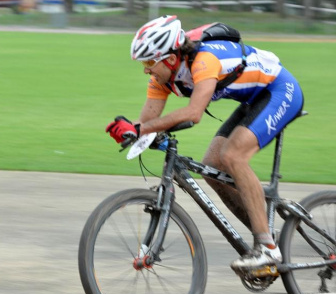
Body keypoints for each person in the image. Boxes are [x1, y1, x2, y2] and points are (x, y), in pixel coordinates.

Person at [105, 15, 304, 271]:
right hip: (254, 99)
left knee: (233, 156)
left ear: (169, 57)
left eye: (149, 62)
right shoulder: (161, 79)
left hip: (280, 90)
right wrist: (129, 131)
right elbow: (147, 122)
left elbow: (194, 113)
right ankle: (263, 236)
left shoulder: (204, 61)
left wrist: (141, 128)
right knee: (212, 166)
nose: (146, 69)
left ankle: (267, 249)